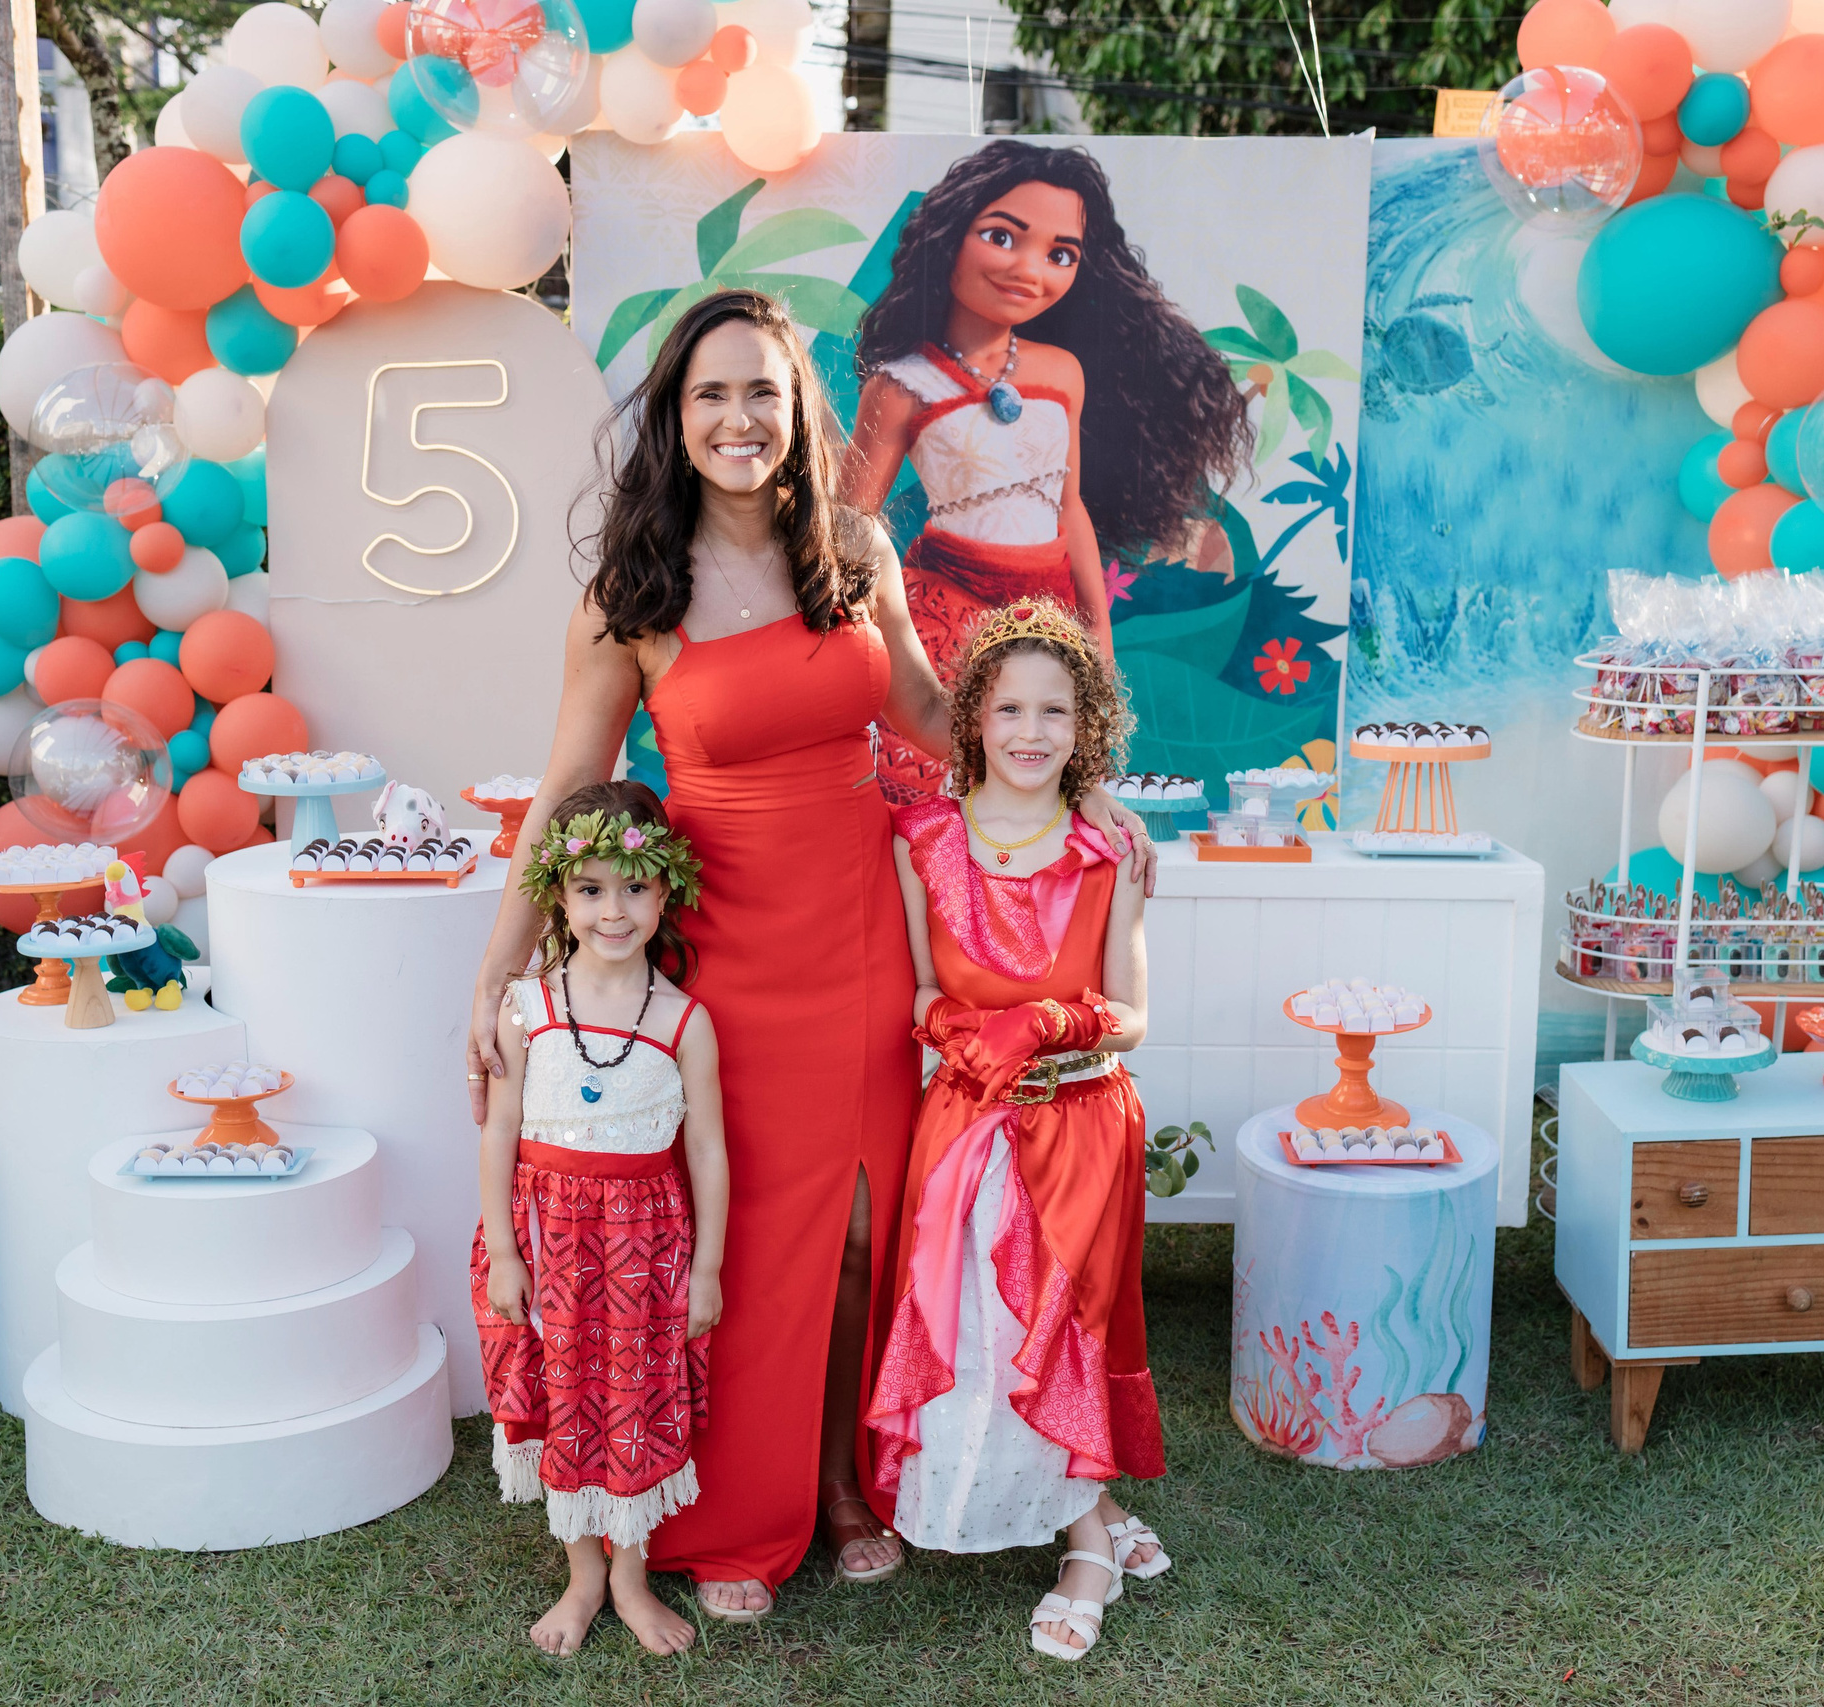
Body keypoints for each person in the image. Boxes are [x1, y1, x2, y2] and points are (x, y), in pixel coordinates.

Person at [466, 288, 1156, 1622]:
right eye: (711, 394)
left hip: (866, 928)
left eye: (763, 393)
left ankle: (844, 1480)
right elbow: (565, 794)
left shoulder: (855, 548)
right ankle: (737, 1505)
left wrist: (1081, 791)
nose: (739, 418)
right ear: (675, 416)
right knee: (749, 1227)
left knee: (862, 1227)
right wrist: (496, 975)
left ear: (798, 411)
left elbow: (933, 713)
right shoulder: (630, 598)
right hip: (723, 952)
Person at [867, 596, 1170, 1661]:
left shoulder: (1106, 849)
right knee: (979, 1327)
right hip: (964, 1121)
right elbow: (917, 990)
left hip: (1077, 1122)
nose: (1030, 732)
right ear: (972, 720)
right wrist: (956, 1026)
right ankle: (1078, 1505)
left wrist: (1050, 1019)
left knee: (1058, 1327)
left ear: (1086, 727)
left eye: (1055, 712)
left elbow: (1131, 1015)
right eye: (1008, 709)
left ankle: (1087, 1544)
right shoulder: (922, 841)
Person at [845, 139, 1252, 805]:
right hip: (946, 613)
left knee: (1044, 800)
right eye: (1002, 237)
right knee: (944, 799)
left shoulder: (1062, 373)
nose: (1029, 271)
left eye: (1060, 254)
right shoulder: (901, 386)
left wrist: (1098, 632)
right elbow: (849, 532)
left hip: (1050, 619)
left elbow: (1069, 506)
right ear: (949, 237)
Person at [472, 780, 725, 1658]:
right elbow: (500, 1130)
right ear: (558, 893)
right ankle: (582, 1573)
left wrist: (706, 1268)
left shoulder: (685, 1020)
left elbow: (708, 1150)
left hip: (642, 1254)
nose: (613, 910)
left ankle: (629, 1575)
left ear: (666, 889)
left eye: (634, 886)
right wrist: (507, 1254)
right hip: (546, 1245)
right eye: (590, 888)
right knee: (563, 1401)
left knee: (629, 1406)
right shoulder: (528, 1008)